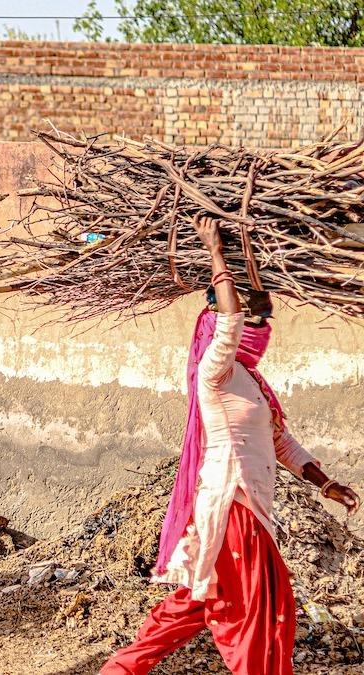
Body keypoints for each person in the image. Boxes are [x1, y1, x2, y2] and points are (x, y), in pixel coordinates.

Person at [100, 216, 360, 675]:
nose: (260, 324)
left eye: (265, 317)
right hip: (231, 505)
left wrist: (325, 483)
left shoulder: (253, 383)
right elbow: (232, 321)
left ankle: (120, 669)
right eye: (253, 315)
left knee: (203, 603)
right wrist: (216, 253)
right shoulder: (215, 372)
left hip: (250, 508)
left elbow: (281, 441)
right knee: (249, 612)